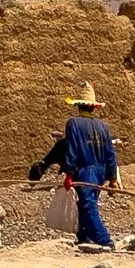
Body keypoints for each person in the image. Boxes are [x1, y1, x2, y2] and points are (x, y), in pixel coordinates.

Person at [28, 82, 117, 252]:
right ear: (93, 107)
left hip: (84, 170)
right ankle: (84, 237)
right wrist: (112, 178)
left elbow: (73, 149)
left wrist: (69, 173)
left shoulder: (74, 123)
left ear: (78, 105)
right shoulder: (103, 127)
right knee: (86, 202)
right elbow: (111, 153)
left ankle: (104, 240)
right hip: (100, 171)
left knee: (87, 204)